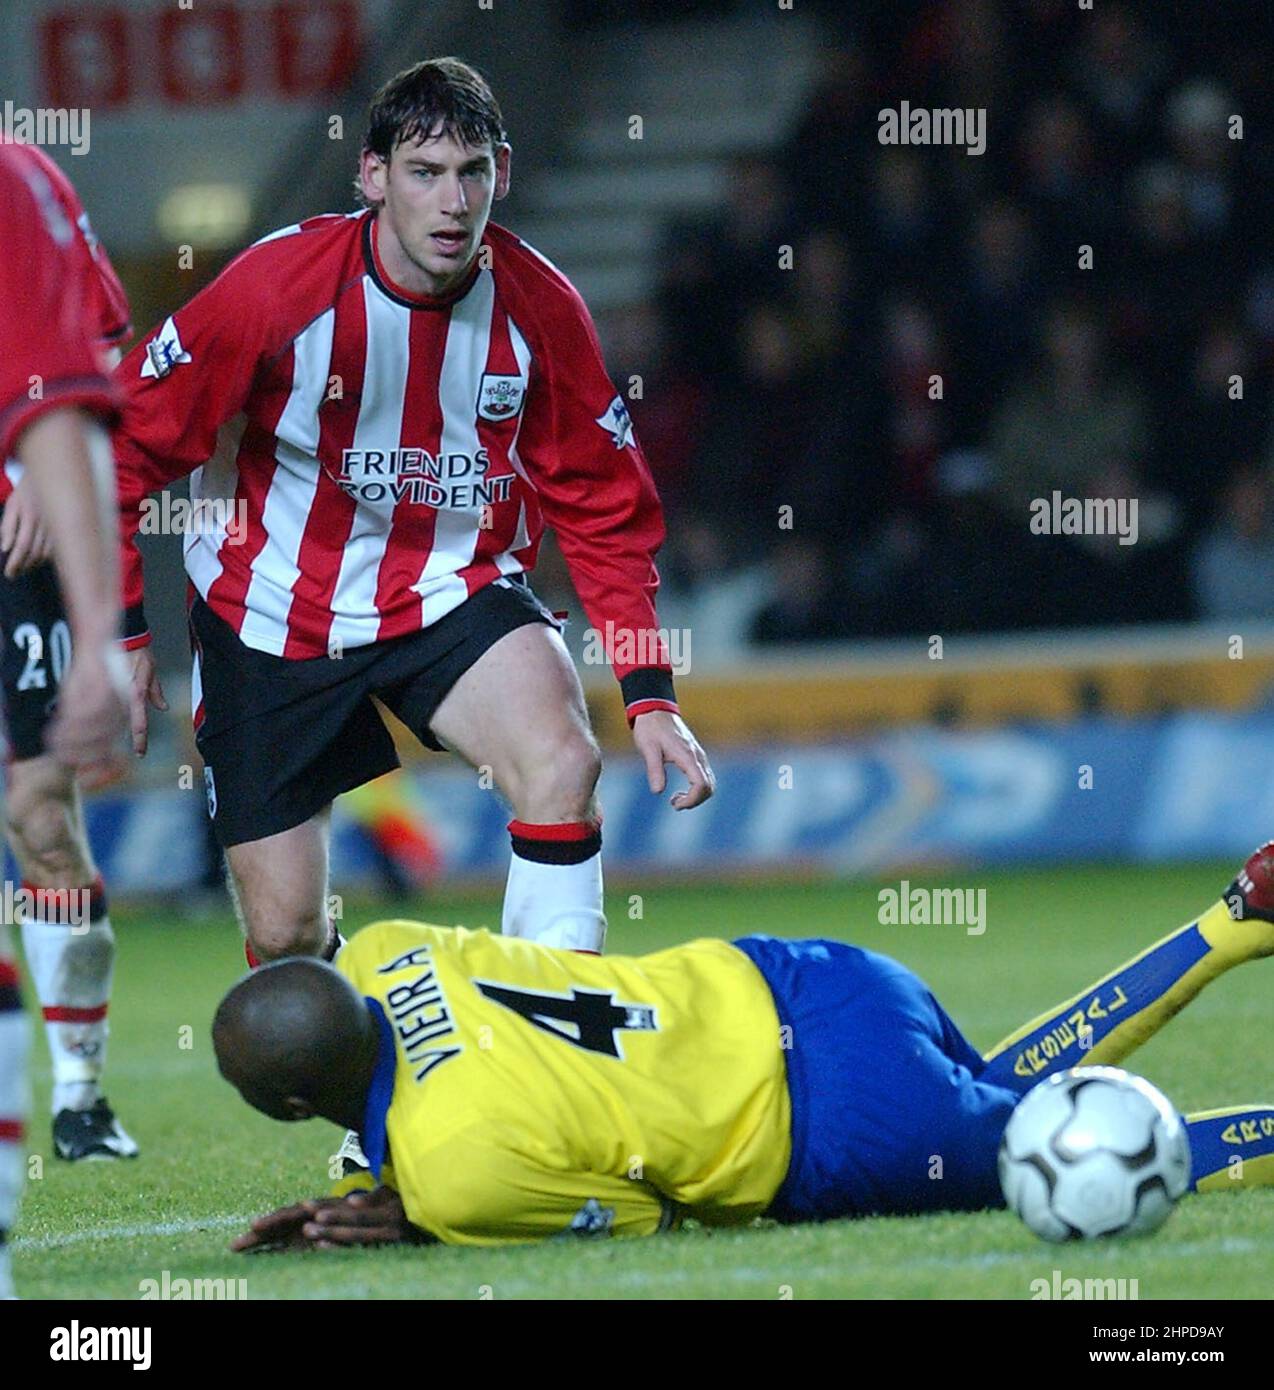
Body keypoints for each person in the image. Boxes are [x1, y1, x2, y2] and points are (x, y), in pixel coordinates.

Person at [114, 57, 713, 973]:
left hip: (451, 587)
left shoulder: (541, 309)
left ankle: (546, 1058)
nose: (452, 201)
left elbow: (605, 511)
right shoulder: (276, 290)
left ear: (501, 174)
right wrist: (120, 634)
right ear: (372, 177)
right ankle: (379, 1098)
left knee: (562, 763)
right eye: (425, 173)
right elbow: (125, 445)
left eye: (472, 172)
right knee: (284, 941)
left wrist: (649, 690)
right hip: (271, 609)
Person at [219, 843, 1274, 1249]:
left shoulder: (456, 1174)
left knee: (1081, 1164)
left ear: (288, 1106)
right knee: (994, 1100)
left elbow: (659, 1215)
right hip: (811, 977)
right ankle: (1233, 924)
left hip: (828, 1129)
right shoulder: (396, 947)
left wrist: (428, 1219)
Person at [0, 141, 131, 1296]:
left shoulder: (19, 183)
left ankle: (80, 1092)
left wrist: (103, 636)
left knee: (42, 819)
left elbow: (81, 362)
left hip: (15, 563)